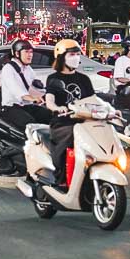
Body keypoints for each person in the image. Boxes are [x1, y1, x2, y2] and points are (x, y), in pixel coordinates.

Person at [44, 39, 97, 185]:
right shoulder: (54, 79)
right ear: (61, 57)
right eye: (71, 54)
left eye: (77, 54)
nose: (76, 58)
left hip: (84, 120)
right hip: (63, 121)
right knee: (71, 135)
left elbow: (93, 100)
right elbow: (49, 100)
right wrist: (57, 108)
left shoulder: (84, 79)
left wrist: (111, 111)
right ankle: (60, 176)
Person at [0, 38, 54, 130]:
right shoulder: (8, 68)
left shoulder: (28, 69)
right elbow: (16, 90)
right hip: (11, 108)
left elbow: (37, 85)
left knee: (52, 117)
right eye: (27, 52)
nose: (30, 55)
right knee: (31, 126)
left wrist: (50, 92)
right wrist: (32, 98)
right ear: (17, 54)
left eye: (31, 52)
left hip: (26, 106)